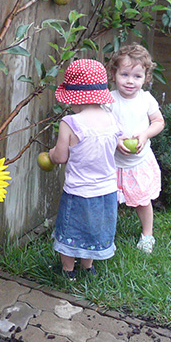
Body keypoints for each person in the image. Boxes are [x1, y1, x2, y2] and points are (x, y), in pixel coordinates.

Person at [49, 59, 121, 279]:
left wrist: (50, 154)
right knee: (92, 231)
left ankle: (68, 271)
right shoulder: (111, 118)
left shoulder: (70, 123)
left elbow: (60, 157)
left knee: (72, 231)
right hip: (107, 190)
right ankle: (88, 267)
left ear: (73, 98)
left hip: (79, 191)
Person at [106, 44, 165, 254]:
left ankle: (147, 234)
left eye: (137, 76)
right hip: (113, 162)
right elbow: (103, 125)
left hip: (138, 162)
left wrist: (145, 134)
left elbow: (158, 121)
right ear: (113, 74)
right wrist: (116, 138)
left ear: (146, 77)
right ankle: (105, 235)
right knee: (107, 201)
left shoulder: (146, 100)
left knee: (142, 201)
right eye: (124, 74)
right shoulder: (109, 100)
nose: (130, 81)